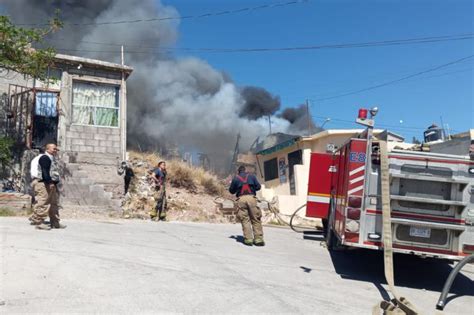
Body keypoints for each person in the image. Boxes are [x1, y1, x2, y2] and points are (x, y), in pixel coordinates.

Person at [29, 143, 66, 230]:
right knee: (43, 202)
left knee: (54, 203)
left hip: (50, 183)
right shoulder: (44, 158)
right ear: (47, 149)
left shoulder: (52, 158)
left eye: (56, 149)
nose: (56, 150)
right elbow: (45, 171)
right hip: (44, 183)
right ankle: (39, 222)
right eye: (54, 149)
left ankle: (55, 222)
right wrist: (50, 182)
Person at [229, 166, 264, 246]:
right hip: (252, 198)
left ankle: (248, 239)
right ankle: (258, 239)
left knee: (245, 219)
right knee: (256, 218)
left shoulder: (235, 179)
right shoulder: (252, 176)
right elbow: (258, 187)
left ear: (238, 172)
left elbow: (231, 191)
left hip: (241, 200)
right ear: (245, 171)